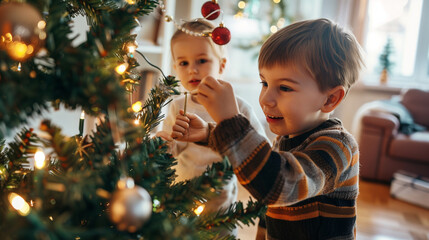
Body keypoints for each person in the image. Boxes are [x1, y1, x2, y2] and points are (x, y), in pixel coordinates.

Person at [170, 18, 364, 240]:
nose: (266, 99)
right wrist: (208, 133)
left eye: (284, 87)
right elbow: (270, 205)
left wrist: (230, 121)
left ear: (330, 99)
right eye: (264, 83)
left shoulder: (338, 146)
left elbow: (280, 185)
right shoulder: (285, 140)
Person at [156, 19, 268, 237]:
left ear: (222, 65)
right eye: (183, 63)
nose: (192, 70)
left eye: (202, 60)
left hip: (221, 209)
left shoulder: (238, 108)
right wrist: (163, 144)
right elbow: (171, 150)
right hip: (182, 202)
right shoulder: (178, 106)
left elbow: (262, 149)